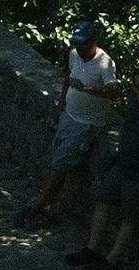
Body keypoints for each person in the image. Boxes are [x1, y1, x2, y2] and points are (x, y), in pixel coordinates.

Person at [67, 67, 139, 270]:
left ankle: (111, 261)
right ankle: (92, 249)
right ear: (134, 87)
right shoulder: (134, 104)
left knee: (129, 219)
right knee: (102, 200)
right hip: (122, 166)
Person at [23, 20, 121, 226]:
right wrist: (62, 101)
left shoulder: (105, 64)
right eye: (76, 43)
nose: (79, 48)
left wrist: (87, 89)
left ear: (93, 42)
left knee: (60, 165)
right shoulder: (74, 55)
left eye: (83, 44)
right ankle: (50, 209)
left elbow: (113, 92)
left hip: (87, 124)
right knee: (59, 161)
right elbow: (69, 76)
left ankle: (36, 207)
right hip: (69, 116)